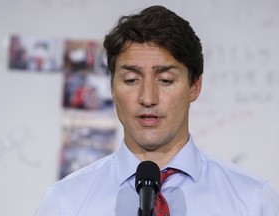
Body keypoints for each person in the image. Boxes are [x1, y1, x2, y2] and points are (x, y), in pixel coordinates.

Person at [35, 5, 279, 215]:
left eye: (165, 80)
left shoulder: (253, 201)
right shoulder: (66, 203)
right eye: (131, 80)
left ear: (194, 86)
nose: (148, 98)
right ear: (112, 87)